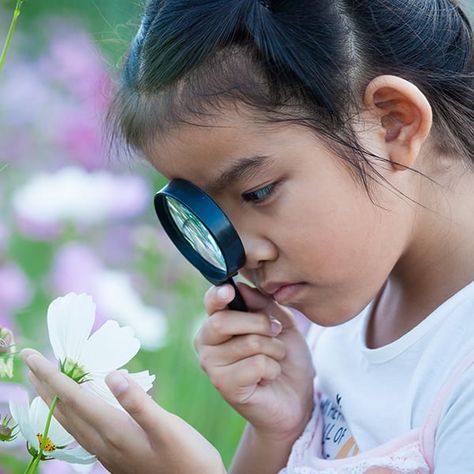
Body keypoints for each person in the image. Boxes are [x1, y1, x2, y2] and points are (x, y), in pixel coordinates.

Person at [20, 0, 474, 472]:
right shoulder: (352, 302)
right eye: (207, 214)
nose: (240, 256)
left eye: (256, 193)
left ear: (392, 123)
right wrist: (281, 430)